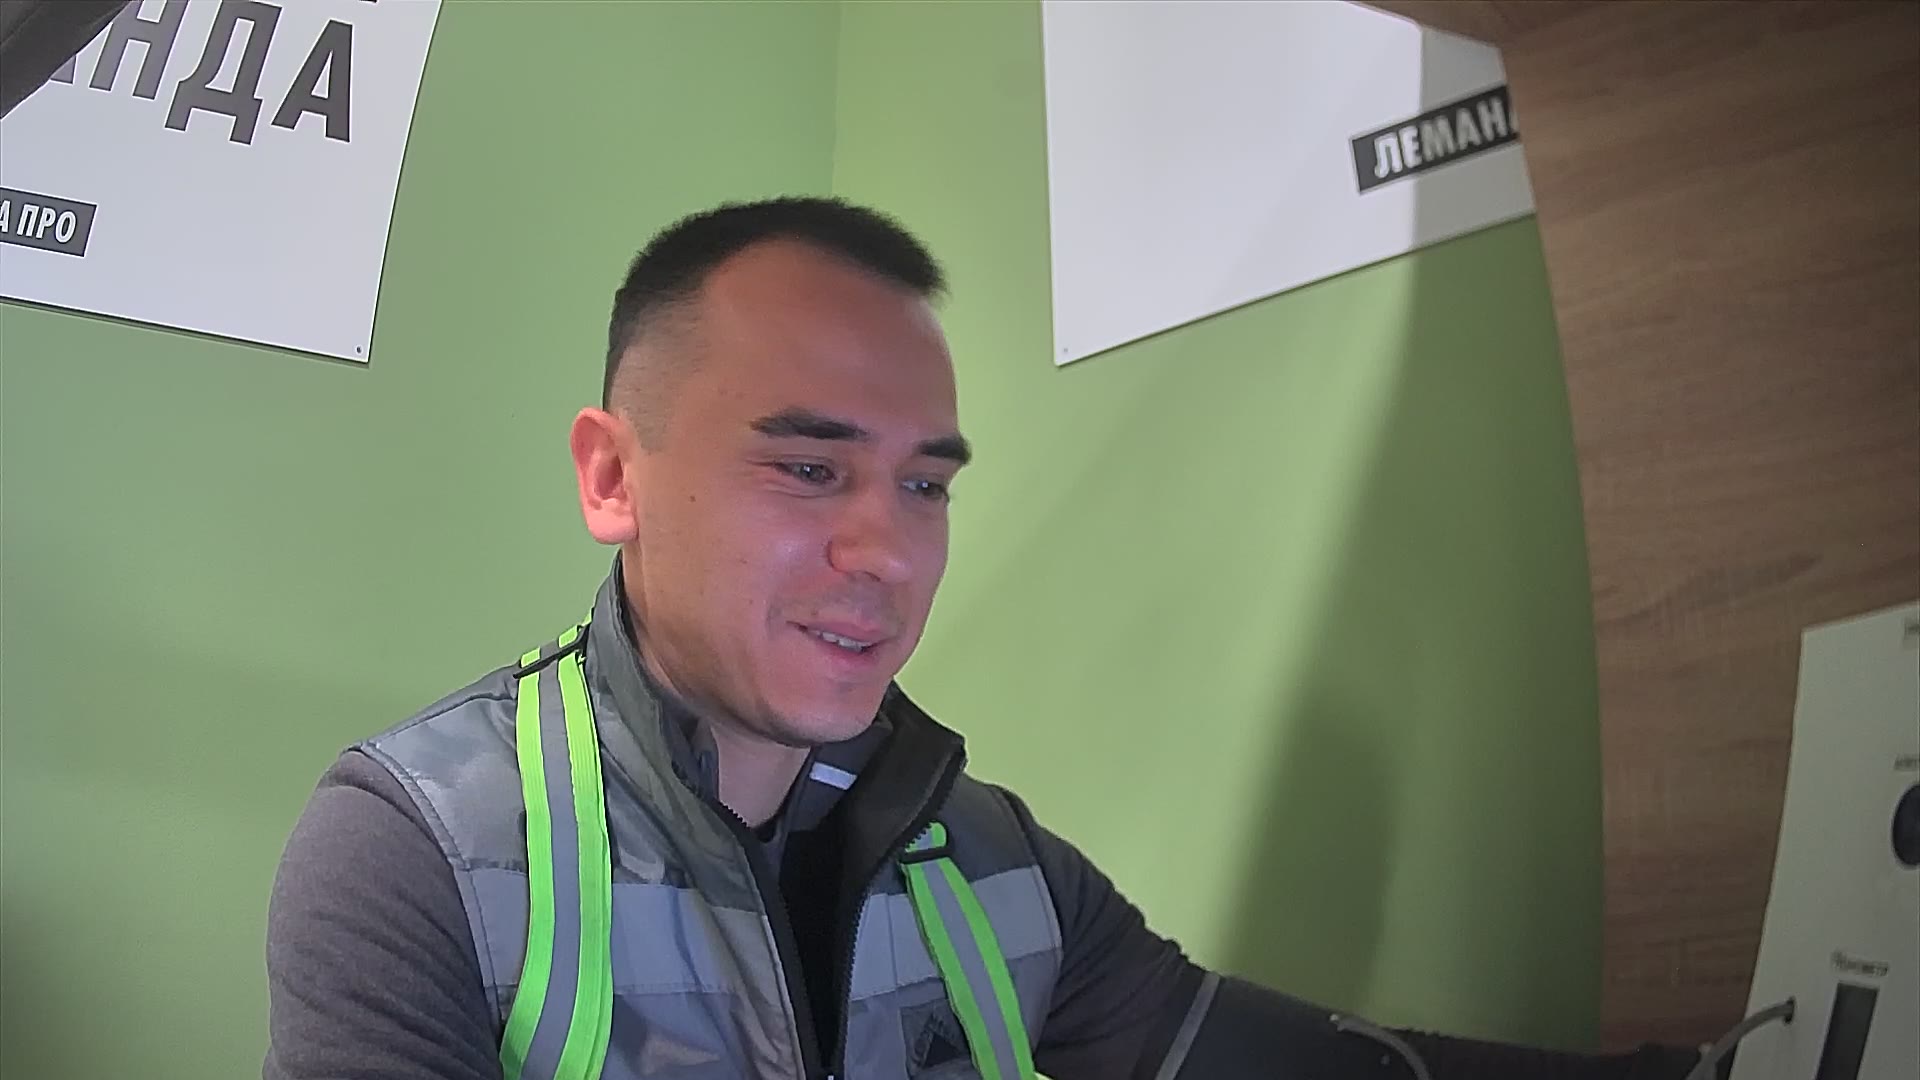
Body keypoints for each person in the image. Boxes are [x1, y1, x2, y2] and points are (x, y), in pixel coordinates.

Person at [263, 197, 1700, 1080]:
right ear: (612, 476)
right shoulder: (420, 850)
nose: (888, 551)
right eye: (809, 467)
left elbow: (1287, 1061)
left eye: (927, 485)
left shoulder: (999, 864)